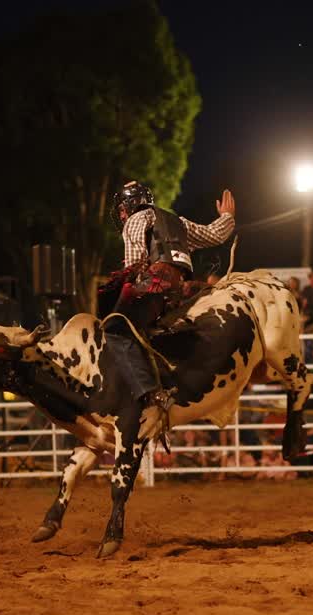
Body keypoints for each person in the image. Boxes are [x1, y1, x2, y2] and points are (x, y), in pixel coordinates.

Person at [105, 180, 236, 441]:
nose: (121, 215)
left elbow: (136, 262)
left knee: (115, 328)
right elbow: (214, 235)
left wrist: (124, 286)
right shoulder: (177, 221)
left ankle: (150, 394)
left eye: (122, 208)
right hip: (181, 287)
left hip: (154, 283)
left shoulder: (135, 220)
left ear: (131, 204)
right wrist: (227, 217)